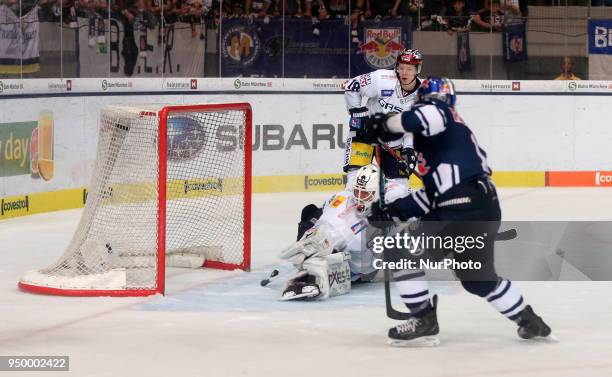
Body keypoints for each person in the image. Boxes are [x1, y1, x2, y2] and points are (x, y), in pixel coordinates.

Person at [361, 77, 552, 345]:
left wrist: (385, 124)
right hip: (482, 207)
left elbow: (422, 116)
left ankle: (424, 319)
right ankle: (529, 320)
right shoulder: (446, 138)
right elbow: (433, 193)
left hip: (459, 208)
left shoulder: (442, 114)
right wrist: (393, 210)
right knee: (478, 280)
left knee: (398, 251)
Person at [278, 165, 411, 300]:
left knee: (345, 245)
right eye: (356, 192)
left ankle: (312, 276)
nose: (359, 197)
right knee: (310, 211)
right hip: (339, 246)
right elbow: (321, 214)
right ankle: (308, 258)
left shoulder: (391, 201)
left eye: (364, 194)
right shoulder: (344, 196)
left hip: (362, 267)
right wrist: (309, 235)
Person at [343, 48, 422, 205]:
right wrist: (359, 115)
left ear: (417, 70)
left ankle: (386, 226)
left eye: (410, 69)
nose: (404, 73)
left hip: (395, 143)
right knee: (354, 186)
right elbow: (351, 86)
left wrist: (409, 150)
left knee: (399, 192)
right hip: (364, 135)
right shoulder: (382, 78)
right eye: (401, 68)